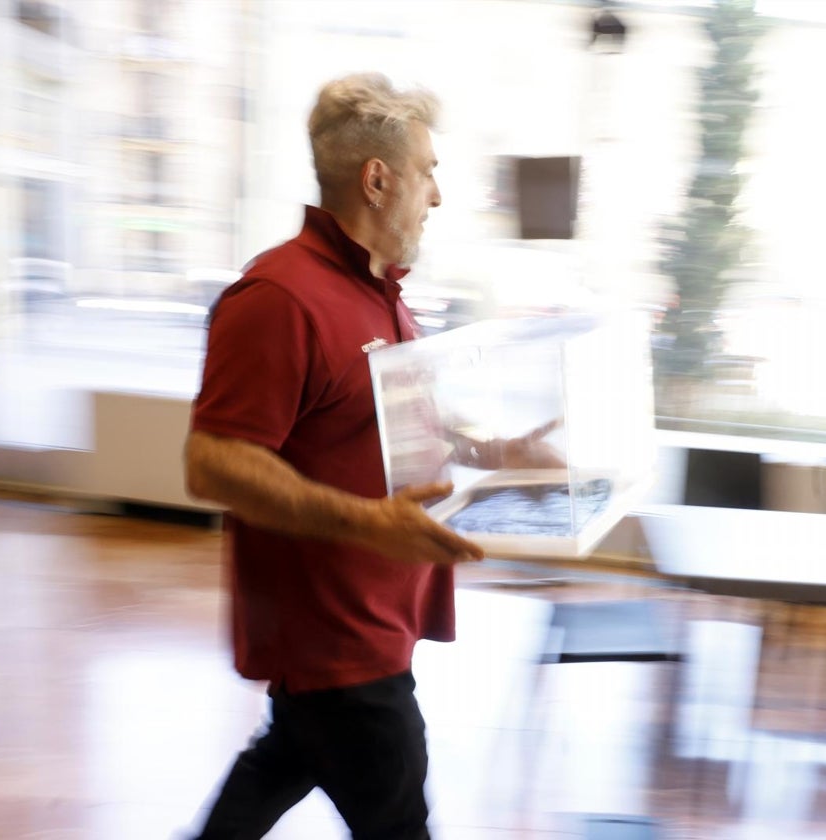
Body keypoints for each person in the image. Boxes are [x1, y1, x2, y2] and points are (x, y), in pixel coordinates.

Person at [183, 72, 550, 840]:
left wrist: (495, 448)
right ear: (379, 180)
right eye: (429, 173)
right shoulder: (280, 299)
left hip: (373, 616)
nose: (438, 196)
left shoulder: (381, 292)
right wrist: (368, 524)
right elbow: (215, 462)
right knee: (395, 818)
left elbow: (390, 412)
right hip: (334, 636)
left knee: (285, 758)